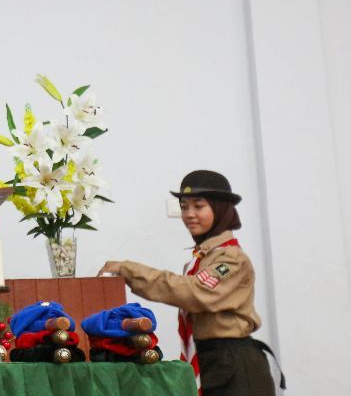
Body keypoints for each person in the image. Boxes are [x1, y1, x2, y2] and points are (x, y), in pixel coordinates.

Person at [97, 170, 279, 396]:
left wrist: (129, 270)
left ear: (220, 208)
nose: (189, 214)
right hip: (212, 360)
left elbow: (193, 292)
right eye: (184, 207)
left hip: (234, 363)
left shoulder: (231, 258)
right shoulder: (204, 257)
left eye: (199, 206)